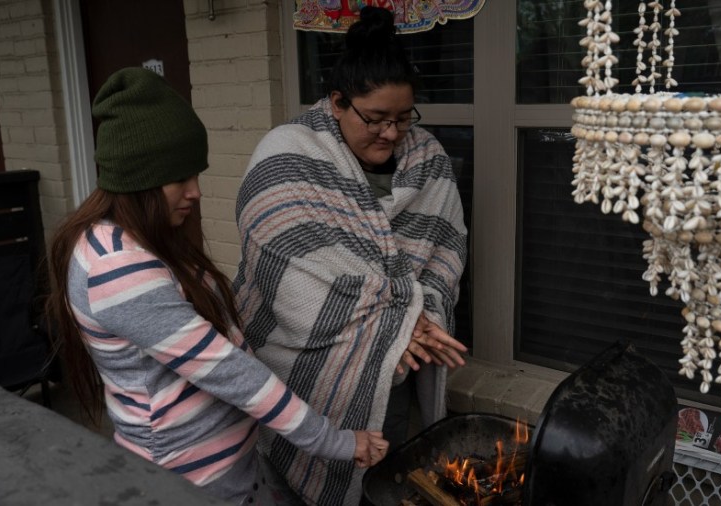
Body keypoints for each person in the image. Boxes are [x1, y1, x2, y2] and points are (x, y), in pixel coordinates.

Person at [46, 67, 388, 505]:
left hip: (227, 469)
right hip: (190, 479)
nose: (196, 192)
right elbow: (228, 371)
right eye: (180, 178)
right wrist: (336, 442)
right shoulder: (119, 267)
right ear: (140, 180)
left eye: (196, 175)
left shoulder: (133, 240)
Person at [233, 6, 469, 505]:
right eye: (376, 118)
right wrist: (400, 321)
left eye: (404, 119)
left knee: (386, 481)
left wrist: (414, 318)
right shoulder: (290, 150)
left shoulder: (427, 159)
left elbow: (444, 249)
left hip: (395, 369)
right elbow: (286, 255)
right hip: (300, 371)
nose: (391, 133)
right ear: (338, 103)